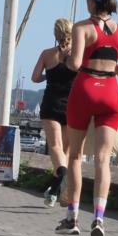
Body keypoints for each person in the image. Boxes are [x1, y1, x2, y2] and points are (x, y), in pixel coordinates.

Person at [56, 0, 118, 236]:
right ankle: (99, 219)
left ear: (92, 0)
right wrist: (110, 62)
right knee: (103, 160)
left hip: (86, 89)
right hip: (111, 94)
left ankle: (72, 218)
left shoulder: (81, 28)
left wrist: (66, 57)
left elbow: (75, 64)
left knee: (75, 155)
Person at [31, 18, 76, 207]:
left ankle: (58, 183)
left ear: (55, 35)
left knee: (55, 148)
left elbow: (35, 78)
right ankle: (58, 191)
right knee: (65, 151)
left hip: (51, 104)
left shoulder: (47, 54)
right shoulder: (77, 56)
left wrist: (48, 75)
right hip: (71, 106)